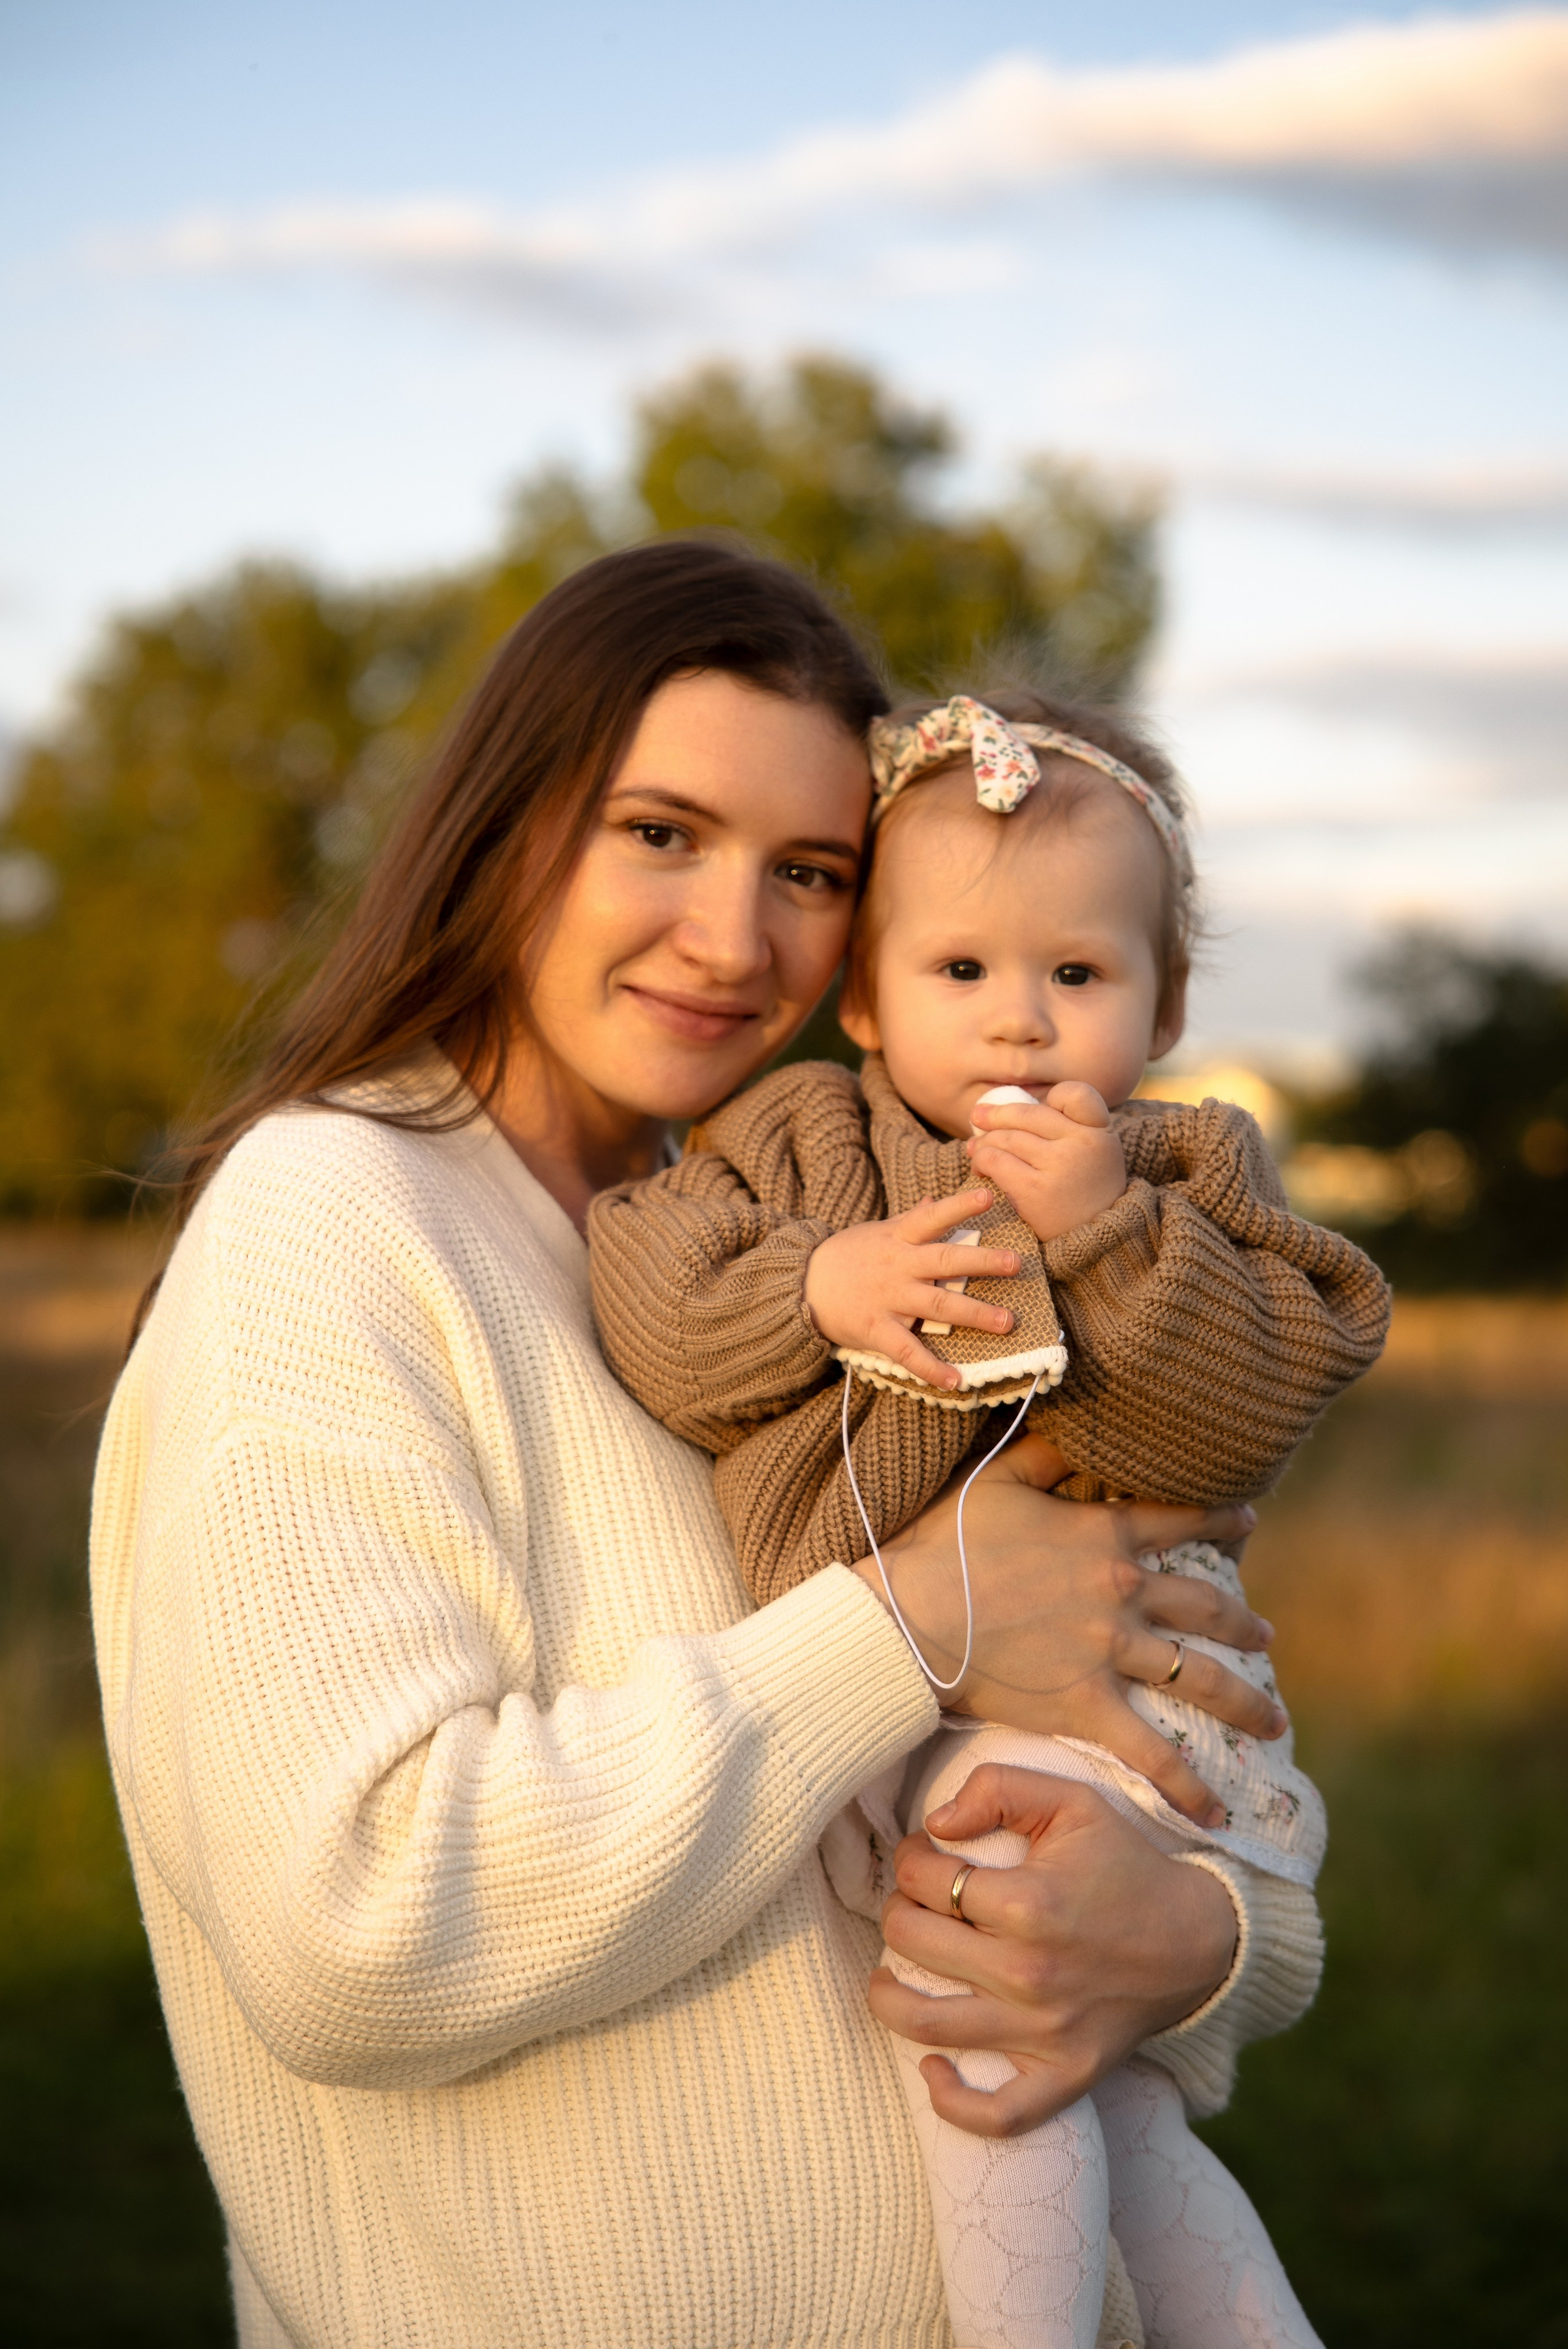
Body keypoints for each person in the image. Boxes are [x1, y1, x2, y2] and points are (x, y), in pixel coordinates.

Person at [91, 545, 1320, 2349]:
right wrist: (913, 1624)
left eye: (809, 871)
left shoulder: (769, 1231)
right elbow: (355, 1913)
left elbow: (1122, 1728)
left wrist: (1198, 1938)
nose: (735, 936)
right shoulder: (336, 1214)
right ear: (509, 824)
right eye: (660, 832)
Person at [588, 688, 1390, 2347]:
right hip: (887, 1687)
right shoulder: (800, 1144)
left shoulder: (1184, 1176)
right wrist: (818, 1284)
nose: (1018, 1022)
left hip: (1113, 1710)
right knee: (1117, 2108)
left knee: (986, 2052)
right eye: (959, 971)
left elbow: (1267, 1387)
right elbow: (649, 1291)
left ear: (1162, 1004)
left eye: (1076, 975)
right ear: (865, 1002)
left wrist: (1105, 1234)